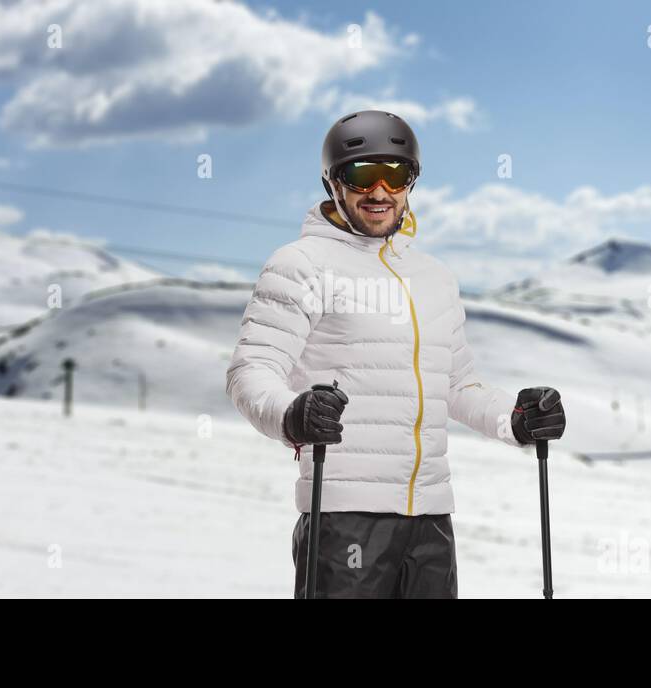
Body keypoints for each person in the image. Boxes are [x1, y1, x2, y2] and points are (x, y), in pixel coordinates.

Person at [226, 110, 566, 598]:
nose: (380, 190)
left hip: (429, 519)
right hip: (345, 516)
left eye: (396, 174)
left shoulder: (433, 278)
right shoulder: (301, 265)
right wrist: (291, 414)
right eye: (363, 175)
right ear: (334, 182)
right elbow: (251, 371)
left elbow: (457, 384)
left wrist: (516, 420)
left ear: (412, 182)